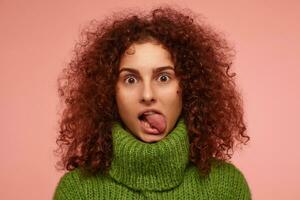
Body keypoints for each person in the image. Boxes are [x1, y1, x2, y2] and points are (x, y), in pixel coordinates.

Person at [54, 6, 251, 199]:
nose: (147, 95)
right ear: (108, 92)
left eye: (163, 78)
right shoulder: (77, 192)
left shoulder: (227, 187)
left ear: (189, 87)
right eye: (131, 80)